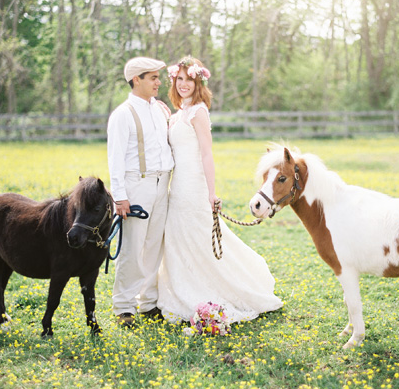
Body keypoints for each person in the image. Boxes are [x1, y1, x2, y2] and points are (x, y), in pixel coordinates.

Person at [157, 56, 282, 325]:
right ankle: (183, 287)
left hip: (194, 185)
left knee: (200, 236)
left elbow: (206, 154)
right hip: (176, 186)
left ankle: (226, 287)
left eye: (189, 80)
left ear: (198, 82)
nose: (183, 85)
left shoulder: (199, 112)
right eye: (179, 79)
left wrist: (212, 193)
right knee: (179, 237)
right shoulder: (178, 114)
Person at [107, 57, 174, 326]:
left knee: (154, 245)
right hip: (137, 184)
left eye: (159, 77)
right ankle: (124, 306)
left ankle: (148, 302)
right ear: (137, 80)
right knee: (133, 247)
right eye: (153, 78)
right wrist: (120, 196)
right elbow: (116, 158)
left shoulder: (159, 109)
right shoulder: (122, 114)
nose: (159, 82)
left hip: (162, 183)